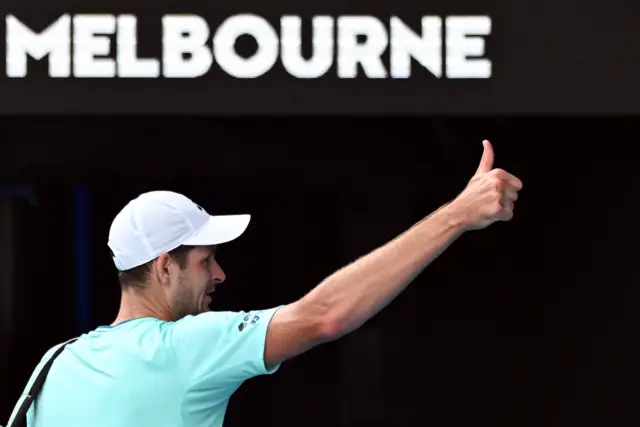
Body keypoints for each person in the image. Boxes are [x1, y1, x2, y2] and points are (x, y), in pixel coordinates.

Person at [10, 140, 522, 427]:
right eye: (206, 261)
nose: (219, 274)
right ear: (165, 267)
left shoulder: (54, 364)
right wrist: (456, 215)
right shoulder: (182, 347)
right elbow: (325, 315)